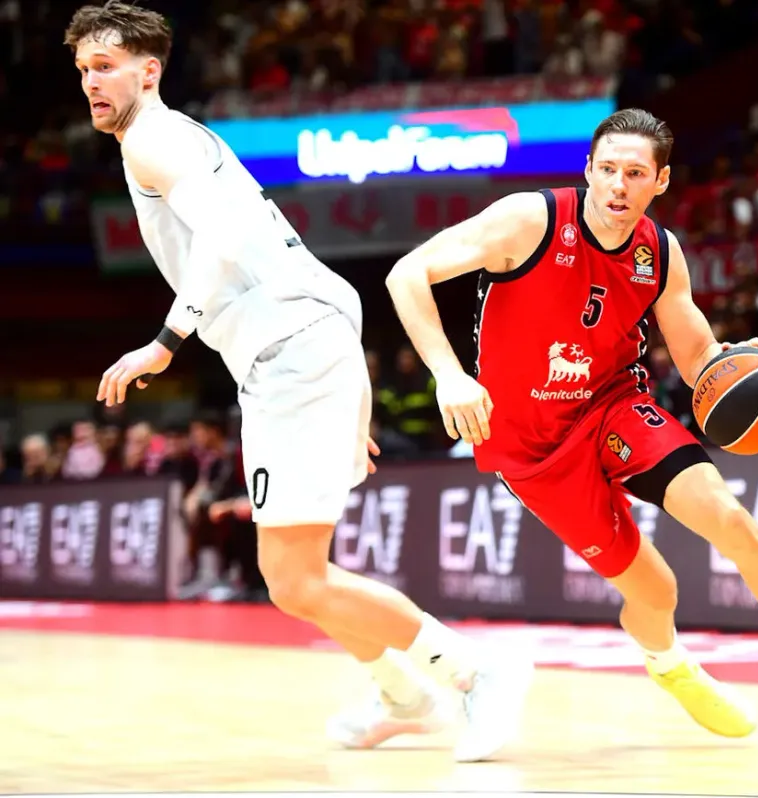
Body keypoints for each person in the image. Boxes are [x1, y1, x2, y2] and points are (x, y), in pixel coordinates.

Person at [69, 1, 531, 763]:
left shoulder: (154, 137)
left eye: (106, 67)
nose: (93, 82)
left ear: (148, 72)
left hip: (291, 353)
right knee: (296, 574)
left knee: (291, 578)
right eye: (85, 69)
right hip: (297, 348)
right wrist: (349, 400)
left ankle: (474, 674)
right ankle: (400, 693)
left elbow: (223, 235)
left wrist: (165, 342)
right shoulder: (176, 136)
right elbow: (317, 282)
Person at [385, 107, 758, 745]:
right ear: (587, 169)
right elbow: (406, 274)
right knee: (656, 591)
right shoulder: (528, 220)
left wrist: (735, 362)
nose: (618, 185)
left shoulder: (659, 252)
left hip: (614, 404)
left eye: (635, 173)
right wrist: (449, 374)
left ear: (660, 181)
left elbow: (696, 358)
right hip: (531, 446)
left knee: (730, 518)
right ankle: (670, 664)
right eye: (607, 169)